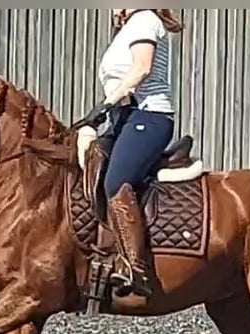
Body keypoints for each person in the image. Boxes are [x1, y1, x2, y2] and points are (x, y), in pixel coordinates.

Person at [75, 8, 184, 298]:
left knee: (116, 181)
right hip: (124, 117)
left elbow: (142, 68)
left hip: (149, 116)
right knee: (90, 165)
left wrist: (105, 104)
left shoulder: (145, 19)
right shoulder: (126, 29)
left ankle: (134, 267)